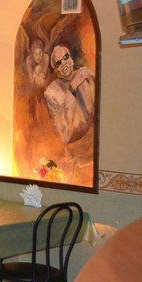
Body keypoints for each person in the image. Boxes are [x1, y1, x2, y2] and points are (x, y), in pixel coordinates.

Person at [43, 44, 95, 182]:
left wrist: (92, 76)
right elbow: (65, 135)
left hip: (94, 142)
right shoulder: (51, 93)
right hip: (76, 151)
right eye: (58, 63)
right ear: (55, 70)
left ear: (71, 59)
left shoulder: (84, 74)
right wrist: (72, 89)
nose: (64, 63)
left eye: (66, 57)